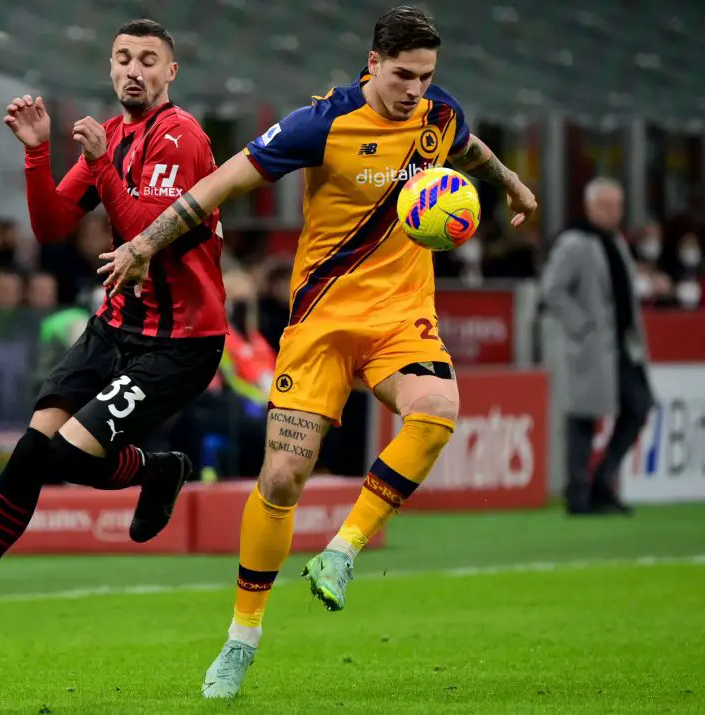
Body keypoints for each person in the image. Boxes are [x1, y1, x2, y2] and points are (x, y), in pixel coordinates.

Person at [99, 5, 537, 699]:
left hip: (400, 317)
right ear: (372, 64)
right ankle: (242, 640)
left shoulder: (437, 112)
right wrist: (145, 243)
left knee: (438, 410)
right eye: (402, 75)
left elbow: (467, 143)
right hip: (322, 324)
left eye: (425, 76)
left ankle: (342, 550)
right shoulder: (320, 123)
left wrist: (509, 183)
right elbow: (223, 182)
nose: (415, 90)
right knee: (280, 480)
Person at [0, 18, 227, 653]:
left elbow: (144, 242)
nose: (134, 69)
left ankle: (158, 470)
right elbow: (49, 227)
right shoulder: (117, 134)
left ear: (170, 72)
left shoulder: (180, 138)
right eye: (123, 57)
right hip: (116, 326)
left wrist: (101, 166)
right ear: (109, 67)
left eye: (148, 59)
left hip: (180, 339)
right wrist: (38, 152)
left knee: (70, 457)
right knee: (30, 453)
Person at [541, 177, 653, 516]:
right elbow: (552, 291)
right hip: (591, 347)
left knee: (638, 406)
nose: (613, 212)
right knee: (582, 419)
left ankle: (603, 480)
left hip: (621, 346)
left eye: (617, 205)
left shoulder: (615, 241)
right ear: (590, 206)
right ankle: (577, 493)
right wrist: (583, 327)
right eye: (606, 205)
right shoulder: (574, 243)